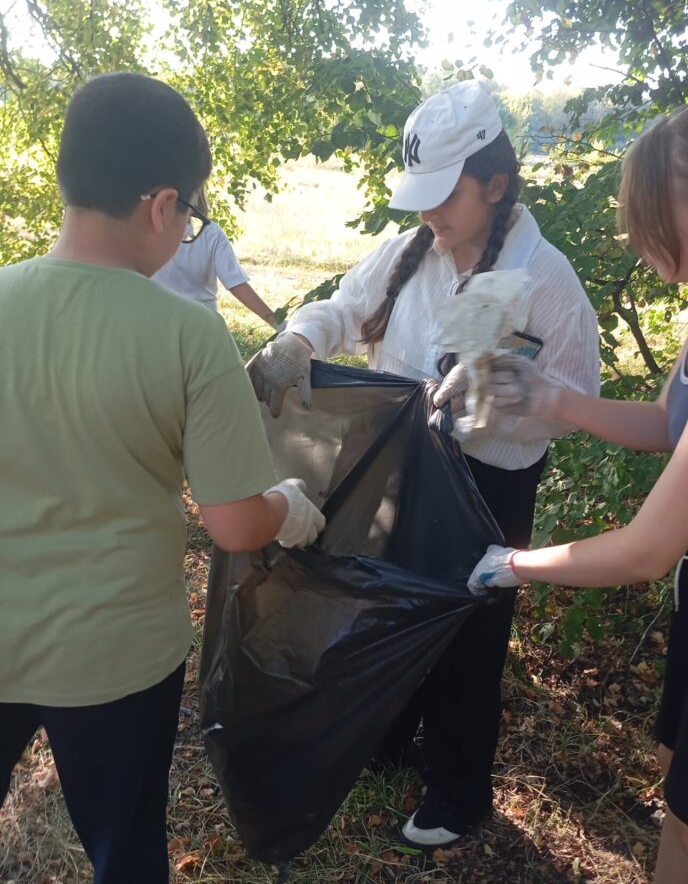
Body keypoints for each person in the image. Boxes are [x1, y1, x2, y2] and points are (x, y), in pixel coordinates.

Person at [247, 79, 600, 848]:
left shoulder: (544, 280)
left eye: (445, 197)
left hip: (488, 484)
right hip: (398, 465)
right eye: (423, 197)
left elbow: (579, 404)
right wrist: (301, 339)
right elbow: (346, 307)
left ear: (495, 183)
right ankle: (387, 738)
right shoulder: (409, 251)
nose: (429, 215)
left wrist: (507, 395)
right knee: (388, 602)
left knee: (469, 632)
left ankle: (458, 787)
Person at [0, 72, 325, 884]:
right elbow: (232, 524)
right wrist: (288, 503)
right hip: (116, 656)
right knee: (124, 848)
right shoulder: (187, 334)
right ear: (161, 205)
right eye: (189, 218)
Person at [467, 92, 688, 884]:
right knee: (682, 790)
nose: (635, 241)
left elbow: (644, 549)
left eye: (649, 221)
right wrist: (551, 399)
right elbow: (676, 425)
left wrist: (511, 563)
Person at [152, 190, 277, 327]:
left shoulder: (146, 232)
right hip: (202, 323)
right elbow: (236, 282)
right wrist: (277, 323)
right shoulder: (211, 232)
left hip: (159, 322)